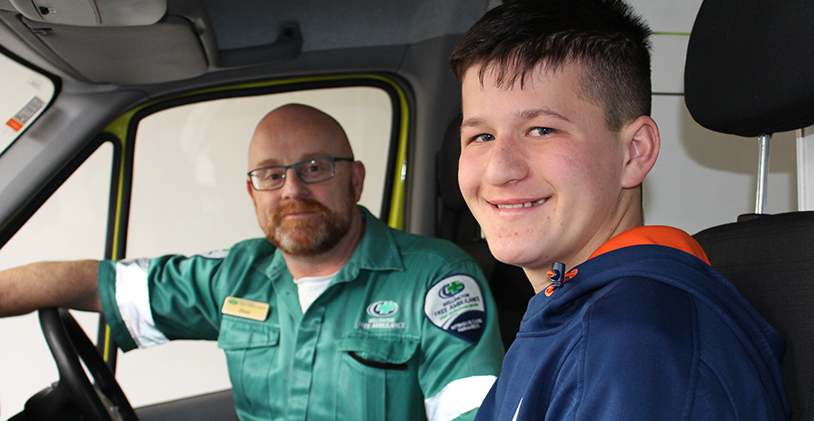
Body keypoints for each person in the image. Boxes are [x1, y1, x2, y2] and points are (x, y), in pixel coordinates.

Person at [0, 103, 505, 421]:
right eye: (270, 174)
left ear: (355, 180)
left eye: (314, 168)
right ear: (252, 191)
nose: (292, 190)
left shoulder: (436, 279)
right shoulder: (237, 274)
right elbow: (94, 282)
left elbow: (472, 412)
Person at [449, 0, 792, 420]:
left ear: (634, 152)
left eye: (541, 130)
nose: (499, 170)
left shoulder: (633, 344)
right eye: (481, 136)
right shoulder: (568, 312)